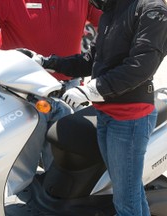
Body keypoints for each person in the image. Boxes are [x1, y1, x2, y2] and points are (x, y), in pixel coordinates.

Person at [24, 0, 167, 215]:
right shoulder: (112, 9)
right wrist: (47, 62)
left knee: (126, 200)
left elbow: (140, 67)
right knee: (129, 189)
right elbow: (92, 60)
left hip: (129, 119)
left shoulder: (153, 9)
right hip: (106, 113)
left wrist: (91, 90)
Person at [0, 0, 102, 195]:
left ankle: (54, 200)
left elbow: (107, 19)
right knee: (18, 168)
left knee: (64, 166)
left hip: (67, 89)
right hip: (20, 92)